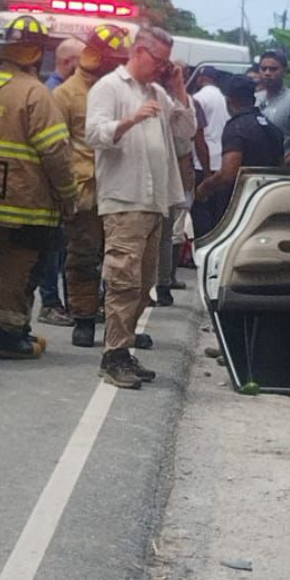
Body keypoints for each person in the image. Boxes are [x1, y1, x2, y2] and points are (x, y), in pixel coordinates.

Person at [85, 24, 196, 390]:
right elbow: (94, 133)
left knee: (144, 283)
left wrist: (178, 87)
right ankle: (112, 355)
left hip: (153, 201)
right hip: (124, 199)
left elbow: (186, 130)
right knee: (123, 280)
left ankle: (125, 348)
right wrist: (130, 120)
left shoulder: (159, 93)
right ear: (138, 52)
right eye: (159, 61)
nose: (162, 68)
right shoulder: (110, 88)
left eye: (168, 63)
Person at [0, 15, 77, 360]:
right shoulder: (36, 94)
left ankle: (1, 326)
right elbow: (55, 152)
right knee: (21, 268)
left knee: (1, 265)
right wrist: (69, 196)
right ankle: (10, 336)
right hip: (26, 201)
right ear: (33, 54)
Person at [52, 23, 130, 348]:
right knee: (83, 257)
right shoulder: (66, 95)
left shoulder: (123, 90)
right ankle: (83, 318)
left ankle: (121, 324)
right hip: (85, 192)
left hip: (122, 188)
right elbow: (57, 146)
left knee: (123, 261)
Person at [38, 40, 85, 322]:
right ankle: (50, 302)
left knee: (62, 246)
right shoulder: (57, 92)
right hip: (55, 181)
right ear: (69, 62)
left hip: (62, 179)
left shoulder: (53, 88)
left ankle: (64, 302)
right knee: (54, 246)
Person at [196, 75, 284, 216]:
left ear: (228, 101)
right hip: (267, 200)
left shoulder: (236, 127)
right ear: (254, 100)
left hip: (239, 206)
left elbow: (228, 174)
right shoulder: (272, 128)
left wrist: (205, 187)